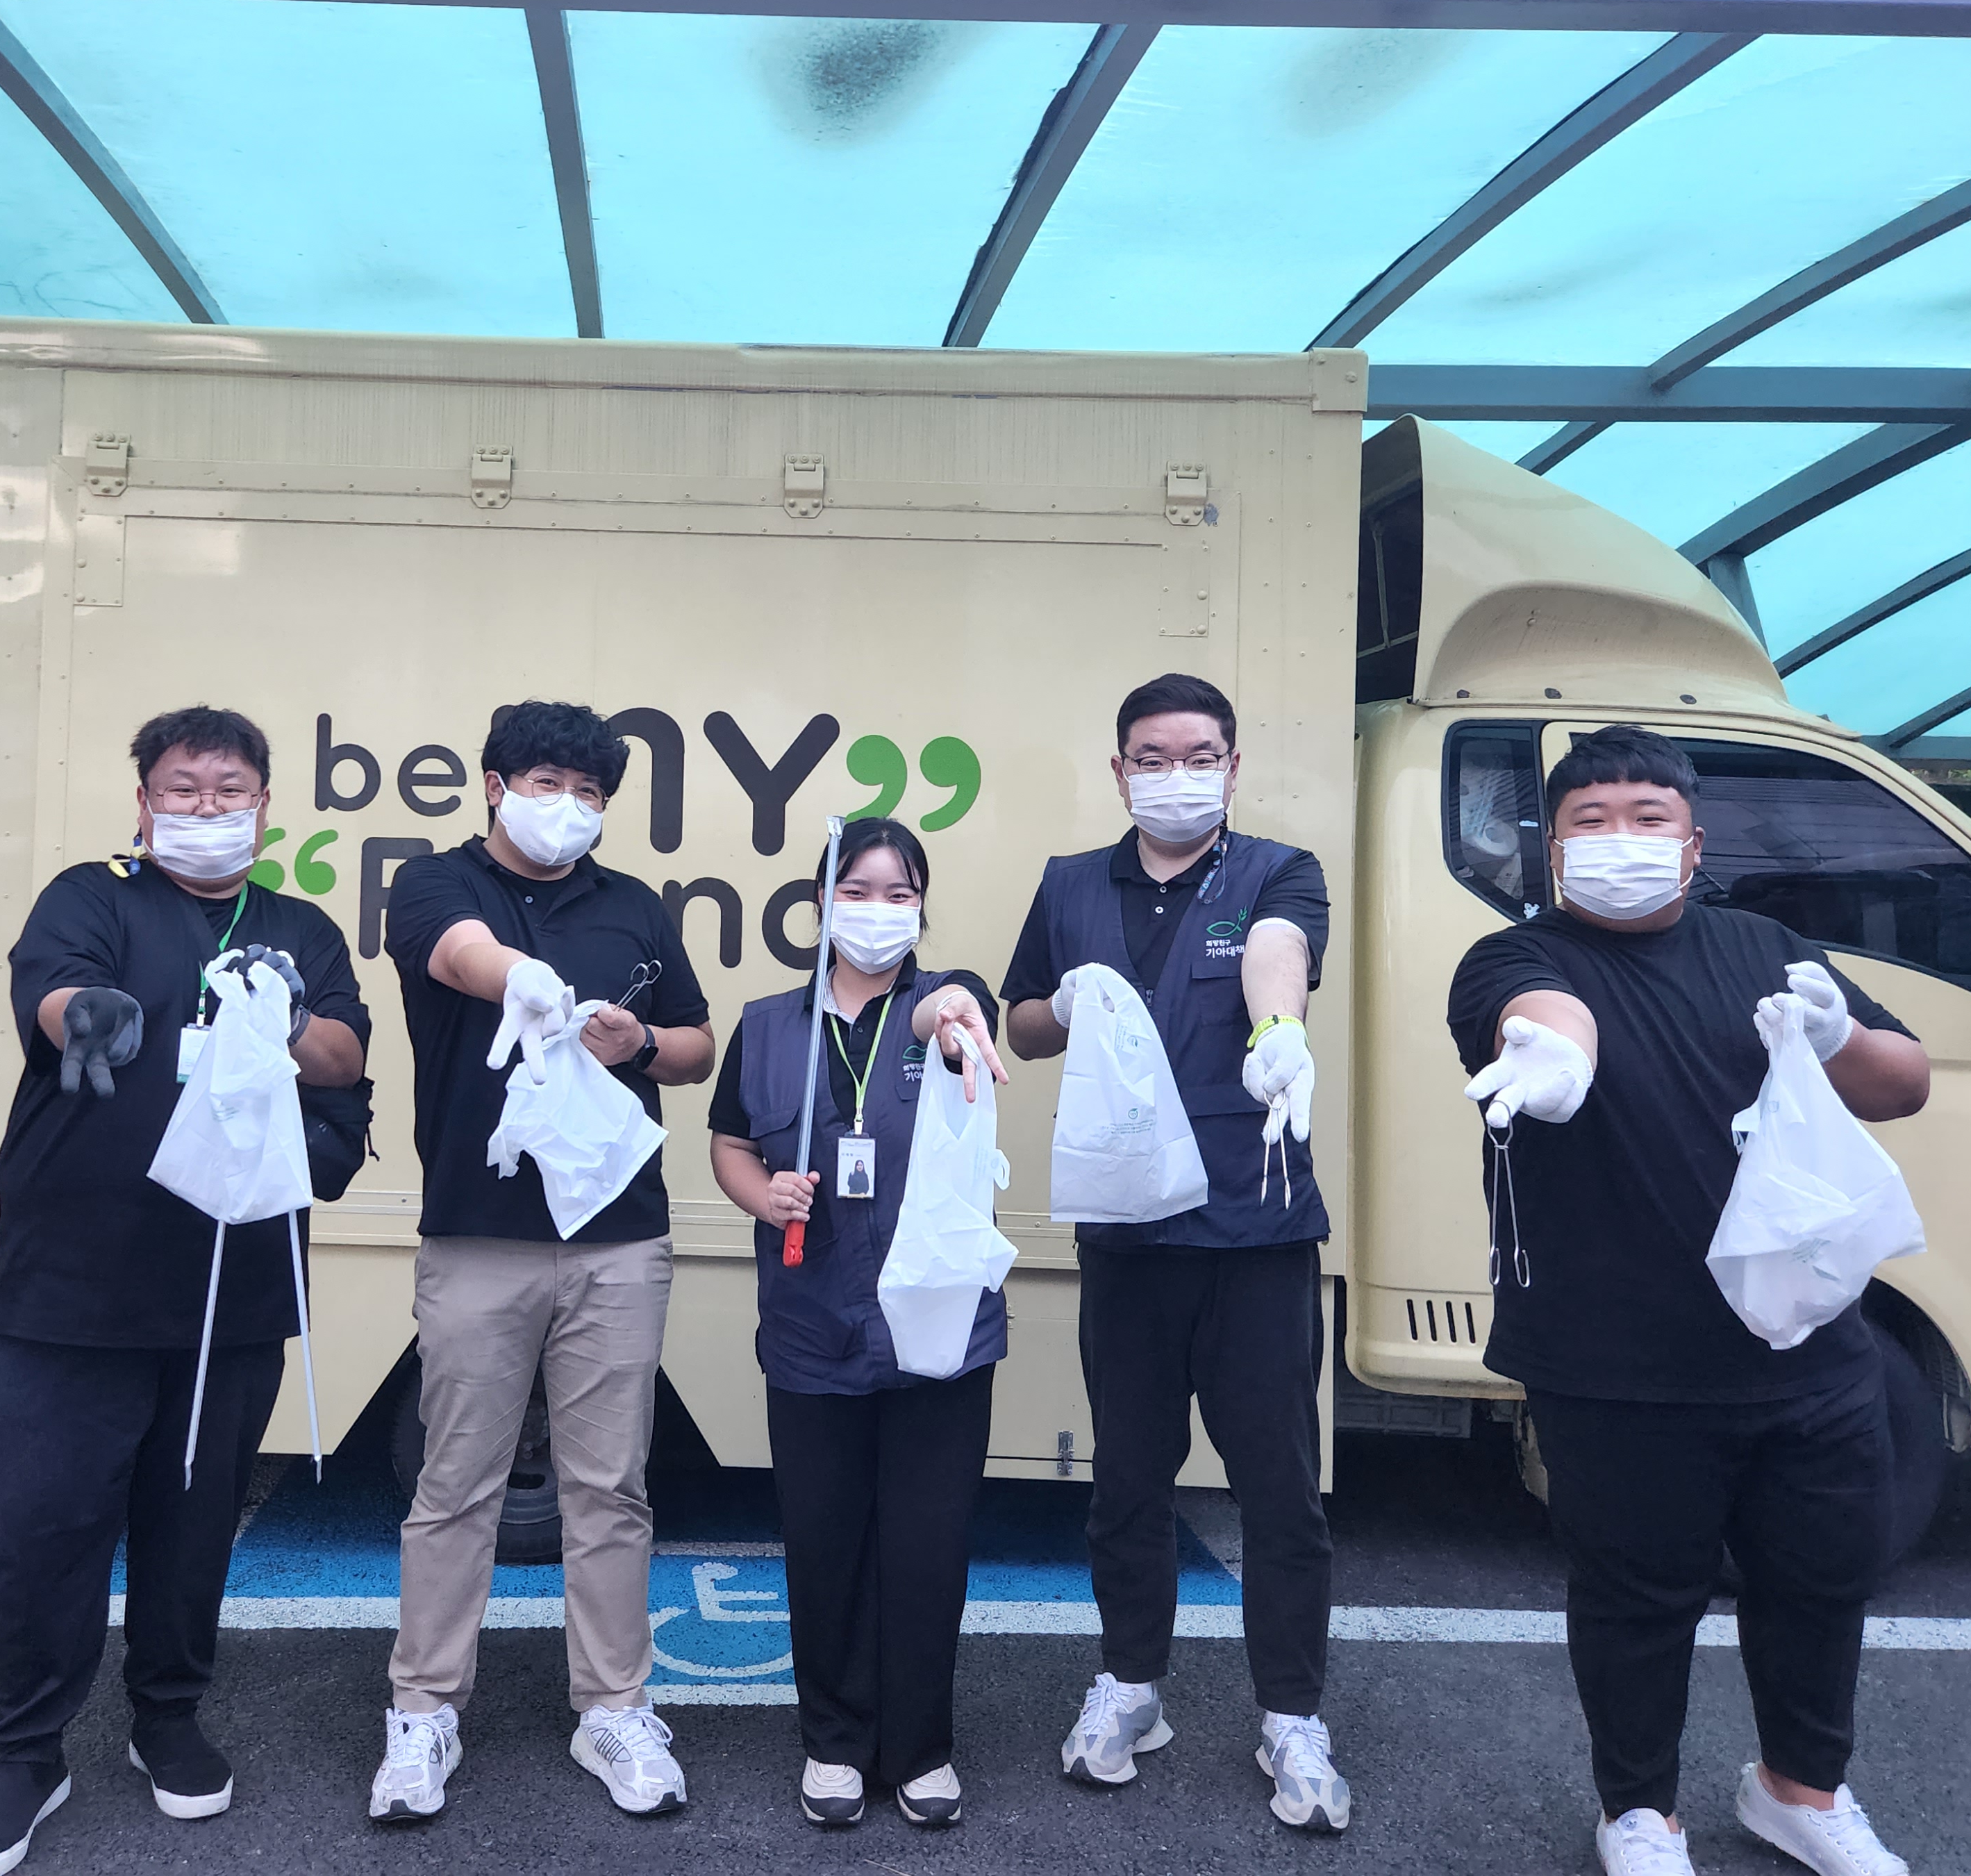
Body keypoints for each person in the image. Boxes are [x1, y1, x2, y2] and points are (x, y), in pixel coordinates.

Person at [1448, 724, 1930, 1876]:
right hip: (1613, 1361)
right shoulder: (1515, 957)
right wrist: (1555, 1057)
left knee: (1820, 1582)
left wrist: (1839, 1033)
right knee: (1635, 1599)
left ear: (1693, 842)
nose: (1619, 838)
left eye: (1646, 818)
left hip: (1807, 1344)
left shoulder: (1766, 947)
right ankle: (1639, 1812)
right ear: (1553, 850)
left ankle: (1798, 1791)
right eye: (1590, 821)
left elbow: (1905, 1084)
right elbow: (1538, 1014)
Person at [0, 707, 372, 1876]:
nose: (205, 809)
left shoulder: (297, 929)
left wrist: (287, 1018)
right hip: (69, 1297)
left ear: (264, 810)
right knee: (45, 1535)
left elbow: (346, 1057)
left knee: (192, 1532)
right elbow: (56, 994)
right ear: (142, 803)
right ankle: (28, 1753)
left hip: (230, 1298)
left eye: (229, 791)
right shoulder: (92, 898)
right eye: (182, 789)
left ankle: (168, 1717)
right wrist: (87, 1015)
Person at [1001, 671, 1349, 1833]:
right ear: (1119, 772)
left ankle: (1291, 1715)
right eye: (1151, 759)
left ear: (1234, 767)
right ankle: (1131, 1684)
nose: (1175, 776)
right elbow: (1021, 1023)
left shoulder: (1278, 872)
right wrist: (1069, 1004)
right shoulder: (1070, 885)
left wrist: (1280, 1029)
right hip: (1128, 1237)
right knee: (1129, 1481)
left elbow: (1278, 953)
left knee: (1280, 1491)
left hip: (1254, 1235)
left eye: (1200, 757)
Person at [369, 700, 715, 1824]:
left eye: (589, 792)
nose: (567, 806)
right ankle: (423, 1711)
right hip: (478, 1239)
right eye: (547, 783)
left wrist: (643, 1044)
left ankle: (614, 1707)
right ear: (495, 785)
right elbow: (456, 954)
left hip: (620, 1243)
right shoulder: (437, 883)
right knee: (454, 1486)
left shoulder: (635, 906)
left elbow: (696, 1045)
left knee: (609, 1488)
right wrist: (520, 973)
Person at [706, 818, 1010, 1831]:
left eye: (900, 893)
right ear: (821, 902)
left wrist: (950, 1015)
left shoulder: (948, 1002)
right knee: (824, 1541)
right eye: (858, 890)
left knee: (927, 1545)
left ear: (922, 908)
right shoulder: (767, 1025)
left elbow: (957, 1012)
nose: (878, 911)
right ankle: (834, 1741)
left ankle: (920, 1749)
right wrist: (762, 1196)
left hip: (938, 1331)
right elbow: (728, 1143)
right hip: (811, 1325)